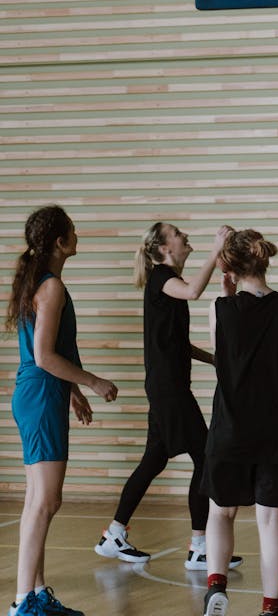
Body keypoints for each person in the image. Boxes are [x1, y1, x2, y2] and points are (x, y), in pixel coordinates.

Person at [94, 222, 241, 572]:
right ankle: (200, 547)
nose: (185, 235)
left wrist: (213, 360)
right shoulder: (162, 278)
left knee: (154, 460)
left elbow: (176, 344)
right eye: (177, 233)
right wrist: (215, 249)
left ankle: (114, 534)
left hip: (167, 388)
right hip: (169, 390)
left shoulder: (165, 285)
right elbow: (193, 291)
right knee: (206, 459)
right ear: (163, 248)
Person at [7, 205, 119, 616]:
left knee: (38, 499)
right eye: (72, 230)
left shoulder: (40, 283)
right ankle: (24, 602)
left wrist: (72, 391)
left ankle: (35, 594)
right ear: (60, 241)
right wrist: (92, 381)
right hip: (39, 394)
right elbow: (43, 356)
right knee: (45, 502)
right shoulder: (51, 287)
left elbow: (49, 352)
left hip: (39, 394)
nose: (77, 234)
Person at [201, 227, 278, 616]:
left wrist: (226, 291)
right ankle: (270, 607)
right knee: (270, 519)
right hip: (277, 428)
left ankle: (216, 584)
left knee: (220, 511)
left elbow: (223, 360)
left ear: (228, 267)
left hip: (230, 427)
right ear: (265, 260)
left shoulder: (219, 309)